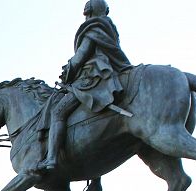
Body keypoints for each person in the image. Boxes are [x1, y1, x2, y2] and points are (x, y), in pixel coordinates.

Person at [37, 0, 131, 181]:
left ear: (88, 11)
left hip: (91, 78)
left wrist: (68, 69)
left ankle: (51, 158)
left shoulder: (92, 28)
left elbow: (81, 56)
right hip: (106, 74)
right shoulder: (109, 27)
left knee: (58, 112)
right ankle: (95, 179)